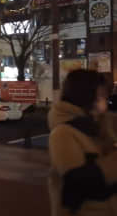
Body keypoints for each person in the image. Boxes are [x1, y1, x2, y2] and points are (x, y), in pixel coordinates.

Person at [48, 69, 117, 216]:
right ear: (87, 96)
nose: (106, 99)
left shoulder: (101, 122)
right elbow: (78, 182)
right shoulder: (63, 133)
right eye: (101, 95)